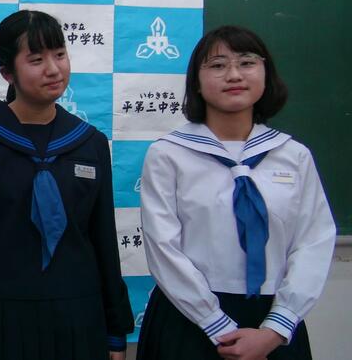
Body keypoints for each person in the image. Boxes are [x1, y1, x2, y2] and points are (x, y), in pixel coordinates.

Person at [0, 9, 134, 360]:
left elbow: (103, 239)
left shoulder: (90, 143)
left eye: (60, 54)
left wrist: (116, 330)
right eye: (36, 59)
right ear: (7, 72)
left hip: (79, 316)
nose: (53, 69)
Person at [137, 26, 336, 360]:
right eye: (217, 65)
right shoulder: (168, 154)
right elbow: (163, 246)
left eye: (247, 63)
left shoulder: (294, 155)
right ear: (196, 82)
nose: (234, 75)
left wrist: (276, 328)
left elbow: (313, 242)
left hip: (274, 322)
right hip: (189, 319)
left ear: (266, 74)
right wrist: (215, 323)